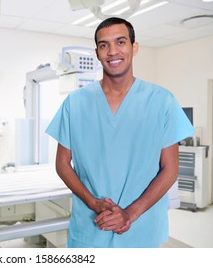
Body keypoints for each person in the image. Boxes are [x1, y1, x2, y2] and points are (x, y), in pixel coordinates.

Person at [46, 17, 194, 248]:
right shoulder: (75, 104)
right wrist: (94, 203)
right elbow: (62, 163)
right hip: (90, 227)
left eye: (121, 42)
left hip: (141, 230)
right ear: (97, 52)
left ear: (134, 47)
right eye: (104, 45)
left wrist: (131, 213)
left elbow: (170, 169)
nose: (112, 51)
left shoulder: (162, 101)